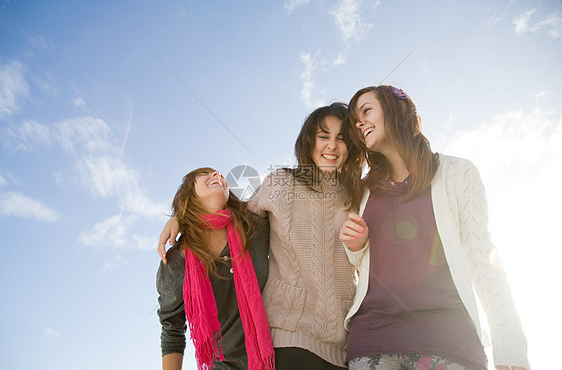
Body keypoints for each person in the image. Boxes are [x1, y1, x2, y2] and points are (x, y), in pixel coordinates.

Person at [158, 103, 365, 369]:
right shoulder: (279, 183)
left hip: (345, 341)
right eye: (323, 136)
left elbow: (371, 257)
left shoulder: (360, 195)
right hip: (285, 338)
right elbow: (234, 211)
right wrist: (180, 217)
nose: (332, 146)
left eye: (342, 138)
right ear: (308, 141)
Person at [339, 85, 530, 370]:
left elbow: (483, 260)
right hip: (373, 343)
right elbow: (362, 267)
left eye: (366, 111)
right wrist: (357, 246)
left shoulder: (458, 173)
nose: (359, 123)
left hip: (448, 341)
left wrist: (510, 350)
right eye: (355, 120)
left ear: (397, 109)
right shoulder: (363, 193)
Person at [156, 167, 274, 370]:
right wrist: (181, 217)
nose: (217, 174)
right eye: (206, 173)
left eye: (219, 174)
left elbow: (281, 193)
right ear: (188, 193)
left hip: (277, 355)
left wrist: (180, 218)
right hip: (222, 366)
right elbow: (171, 328)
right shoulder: (176, 260)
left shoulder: (254, 225)